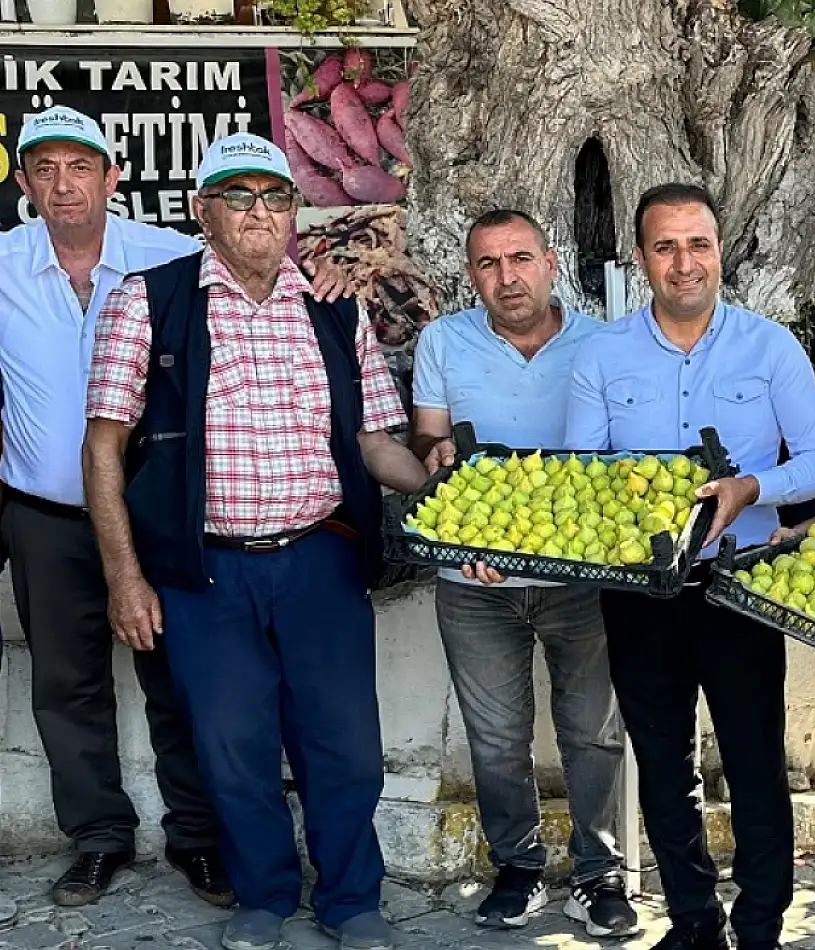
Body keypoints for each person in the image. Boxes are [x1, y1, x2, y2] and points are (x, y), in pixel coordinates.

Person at [472, 182, 815, 950]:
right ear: (641, 259)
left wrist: (753, 488)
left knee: (753, 762)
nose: (684, 263)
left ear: (719, 251)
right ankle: (695, 923)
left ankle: (762, 925)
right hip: (640, 591)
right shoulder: (604, 354)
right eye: (665, 246)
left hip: (740, 585)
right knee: (663, 768)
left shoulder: (769, 347)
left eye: (698, 244)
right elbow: (585, 479)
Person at [81, 133, 428, 950]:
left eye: (275, 197)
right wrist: (125, 578)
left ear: (294, 213)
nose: (259, 213)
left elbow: (376, 438)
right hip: (208, 572)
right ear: (205, 213)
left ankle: (351, 899)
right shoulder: (152, 300)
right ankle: (265, 893)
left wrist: (435, 481)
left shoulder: (334, 307)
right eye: (237, 196)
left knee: (341, 742)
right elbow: (103, 448)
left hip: (321, 557)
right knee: (233, 747)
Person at [0, 106, 339, 908]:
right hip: (43, 516)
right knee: (66, 687)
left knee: (184, 684)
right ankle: (97, 839)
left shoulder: (169, 254)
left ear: (113, 177)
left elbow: (261, 264)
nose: (63, 184)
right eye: (44, 169)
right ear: (22, 184)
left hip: (155, 518)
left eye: (80, 167)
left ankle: (200, 840)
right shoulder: (1, 265)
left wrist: (333, 273)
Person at [407, 207, 636, 935]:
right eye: (487, 264)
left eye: (520, 259)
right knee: (497, 736)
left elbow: (627, 461)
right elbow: (429, 441)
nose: (506, 278)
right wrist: (438, 465)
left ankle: (602, 877)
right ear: (471, 274)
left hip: (583, 578)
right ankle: (519, 868)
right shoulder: (443, 340)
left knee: (595, 731)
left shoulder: (605, 345)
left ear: (551, 262)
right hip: (476, 581)